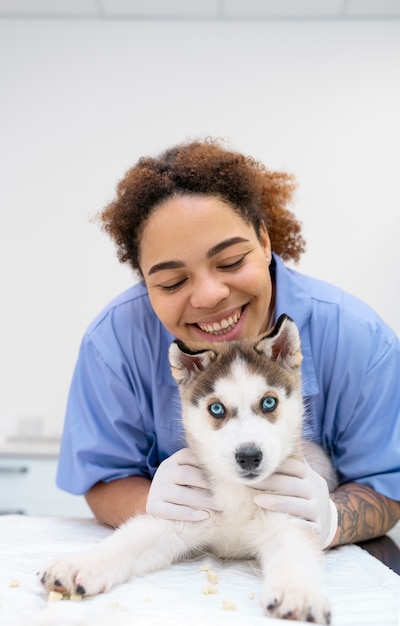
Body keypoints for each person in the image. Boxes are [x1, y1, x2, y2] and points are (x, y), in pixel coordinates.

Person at [56, 137, 400, 549]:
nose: (209, 296)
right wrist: (150, 500)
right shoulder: (113, 343)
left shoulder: (357, 338)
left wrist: (332, 517)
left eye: (231, 262)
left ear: (265, 241)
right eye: (172, 282)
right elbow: (100, 479)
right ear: (144, 280)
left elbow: (389, 482)